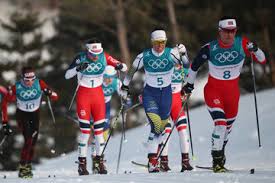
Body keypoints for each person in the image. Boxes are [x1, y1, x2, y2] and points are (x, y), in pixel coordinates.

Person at [182, 16, 266, 173]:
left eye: (232, 31)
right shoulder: (210, 48)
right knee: (220, 125)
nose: (229, 35)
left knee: (227, 129)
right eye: (226, 31)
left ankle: (220, 153)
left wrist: (256, 49)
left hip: (233, 94)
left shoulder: (243, 44)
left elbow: (262, 59)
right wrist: (189, 85)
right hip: (214, 91)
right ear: (219, 31)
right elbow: (194, 66)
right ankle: (217, 161)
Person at [121, 29, 190, 173]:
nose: (160, 45)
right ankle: (152, 162)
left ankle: (156, 159)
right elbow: (131, 72)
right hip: (150, 94)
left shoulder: (172, 53)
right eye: (157, 43)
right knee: (156, 124)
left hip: (166, 94)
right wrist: (125, 86)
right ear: (152, 42)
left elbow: (187, 67)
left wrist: (184, 54)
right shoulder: (144, 56)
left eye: (163, 42)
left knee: (161, 129)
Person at [65, 38, 127, 175]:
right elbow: (67, 75)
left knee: (100, 134)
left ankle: (99, 163)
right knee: (85, 133)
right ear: (87, 51)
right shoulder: (80, 58)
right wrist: (77, 68)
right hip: (84, 96)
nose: (95, 56)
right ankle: (82, 165)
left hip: (98, 96)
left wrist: (120, 66)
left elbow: (124, 67)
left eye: (98, 53)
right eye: (93, 53)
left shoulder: (104, 56)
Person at [3, 66, 58, 178]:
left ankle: (27, 165)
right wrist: (5, 122)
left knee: (33, 142)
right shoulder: (16, 87)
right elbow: (4, 103)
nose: (30, 82)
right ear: (22, 78)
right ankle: (23, 167)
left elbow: (56, 97)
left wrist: (49, 93)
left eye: (32, 79)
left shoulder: (39, 83)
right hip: (22, 115)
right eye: (27, 80)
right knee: (28, 139)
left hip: (35, 115)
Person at [160, 64, 193, 172]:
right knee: (166, 132)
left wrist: (186, 91)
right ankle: (163, 163)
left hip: (177, 105)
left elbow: (190, 79)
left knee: (183, 131)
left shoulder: (185, 68)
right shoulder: (164, 66)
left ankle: (185, 162)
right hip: (164, 104)